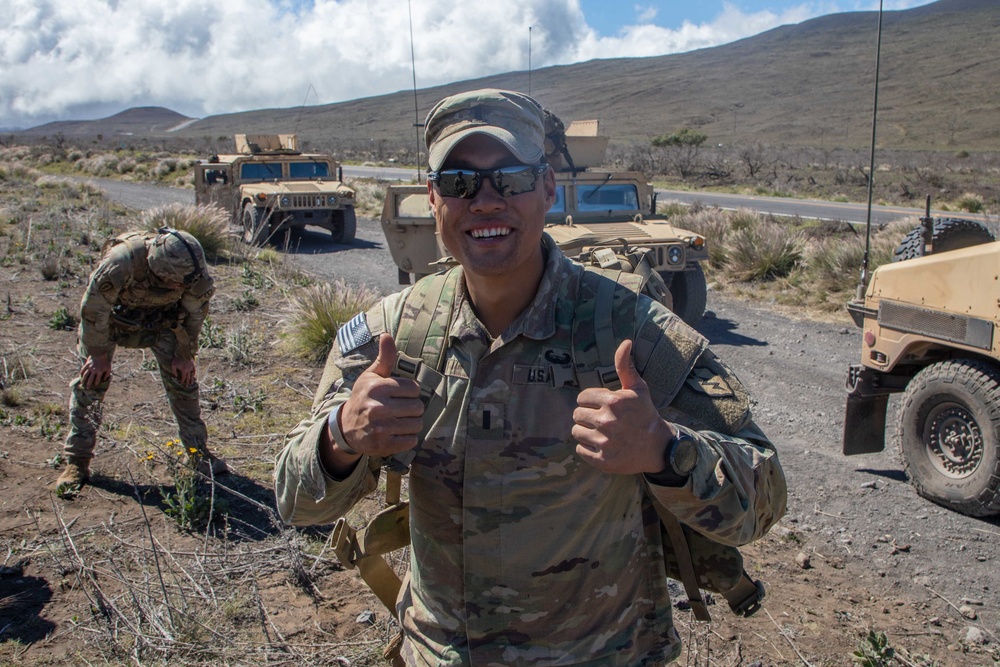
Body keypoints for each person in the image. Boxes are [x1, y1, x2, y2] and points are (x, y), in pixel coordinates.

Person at [274, 88, 786, 665]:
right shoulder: (394, 337)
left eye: (511, 178)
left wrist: (664, 450)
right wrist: (343, 437)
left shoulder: (632, 331)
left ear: (546, 188)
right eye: (461, 182)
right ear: (433, 199)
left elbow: (764, 495)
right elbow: (294, 501)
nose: (486, 202)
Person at [56, 227, 227, 492]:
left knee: (184, 381)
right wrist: (98, 356)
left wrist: (185, 354)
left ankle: (197, 453)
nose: (181, 288)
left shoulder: (194, 275)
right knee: (91, 382)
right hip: (110, 322)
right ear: (156, 267)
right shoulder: (120, 262)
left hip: (162, 322)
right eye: (175, 284)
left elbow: (195, 316)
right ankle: (77, 461)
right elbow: (93, 310)